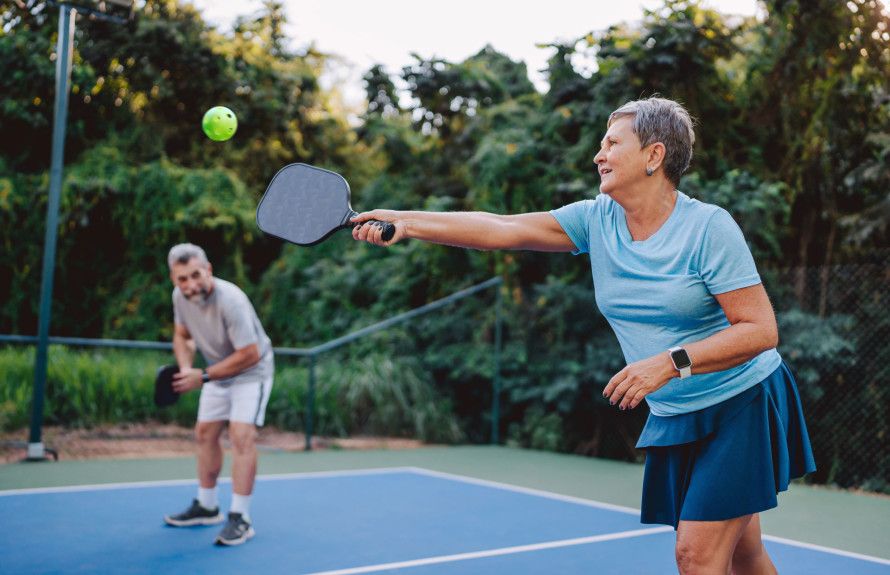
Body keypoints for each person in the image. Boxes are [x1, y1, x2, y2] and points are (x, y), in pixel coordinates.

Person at [350, 96, 816, 574]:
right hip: (679, 412)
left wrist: (669, 362)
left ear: (654, 156)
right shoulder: (597, 220)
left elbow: (761, 329)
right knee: (745, 553)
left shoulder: (708, 229)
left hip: (742, 401)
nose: (599, 154)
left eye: (613, 143)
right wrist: (406, 222)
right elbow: (503, 228)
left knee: (696, 555)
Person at [162, 243, 274, 547]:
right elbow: (182, 335)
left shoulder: (231, 300)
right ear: (174, 279)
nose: (190, 284)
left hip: (252, 372)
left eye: (195, 275)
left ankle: (240, 518)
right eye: (182, 279)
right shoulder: (180, 298)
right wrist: (186, 368)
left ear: (208, 270)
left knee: (241, 435)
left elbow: (249, 354)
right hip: (214, 372)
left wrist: (203, 377)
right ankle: (207, 505)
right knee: (204, 433)